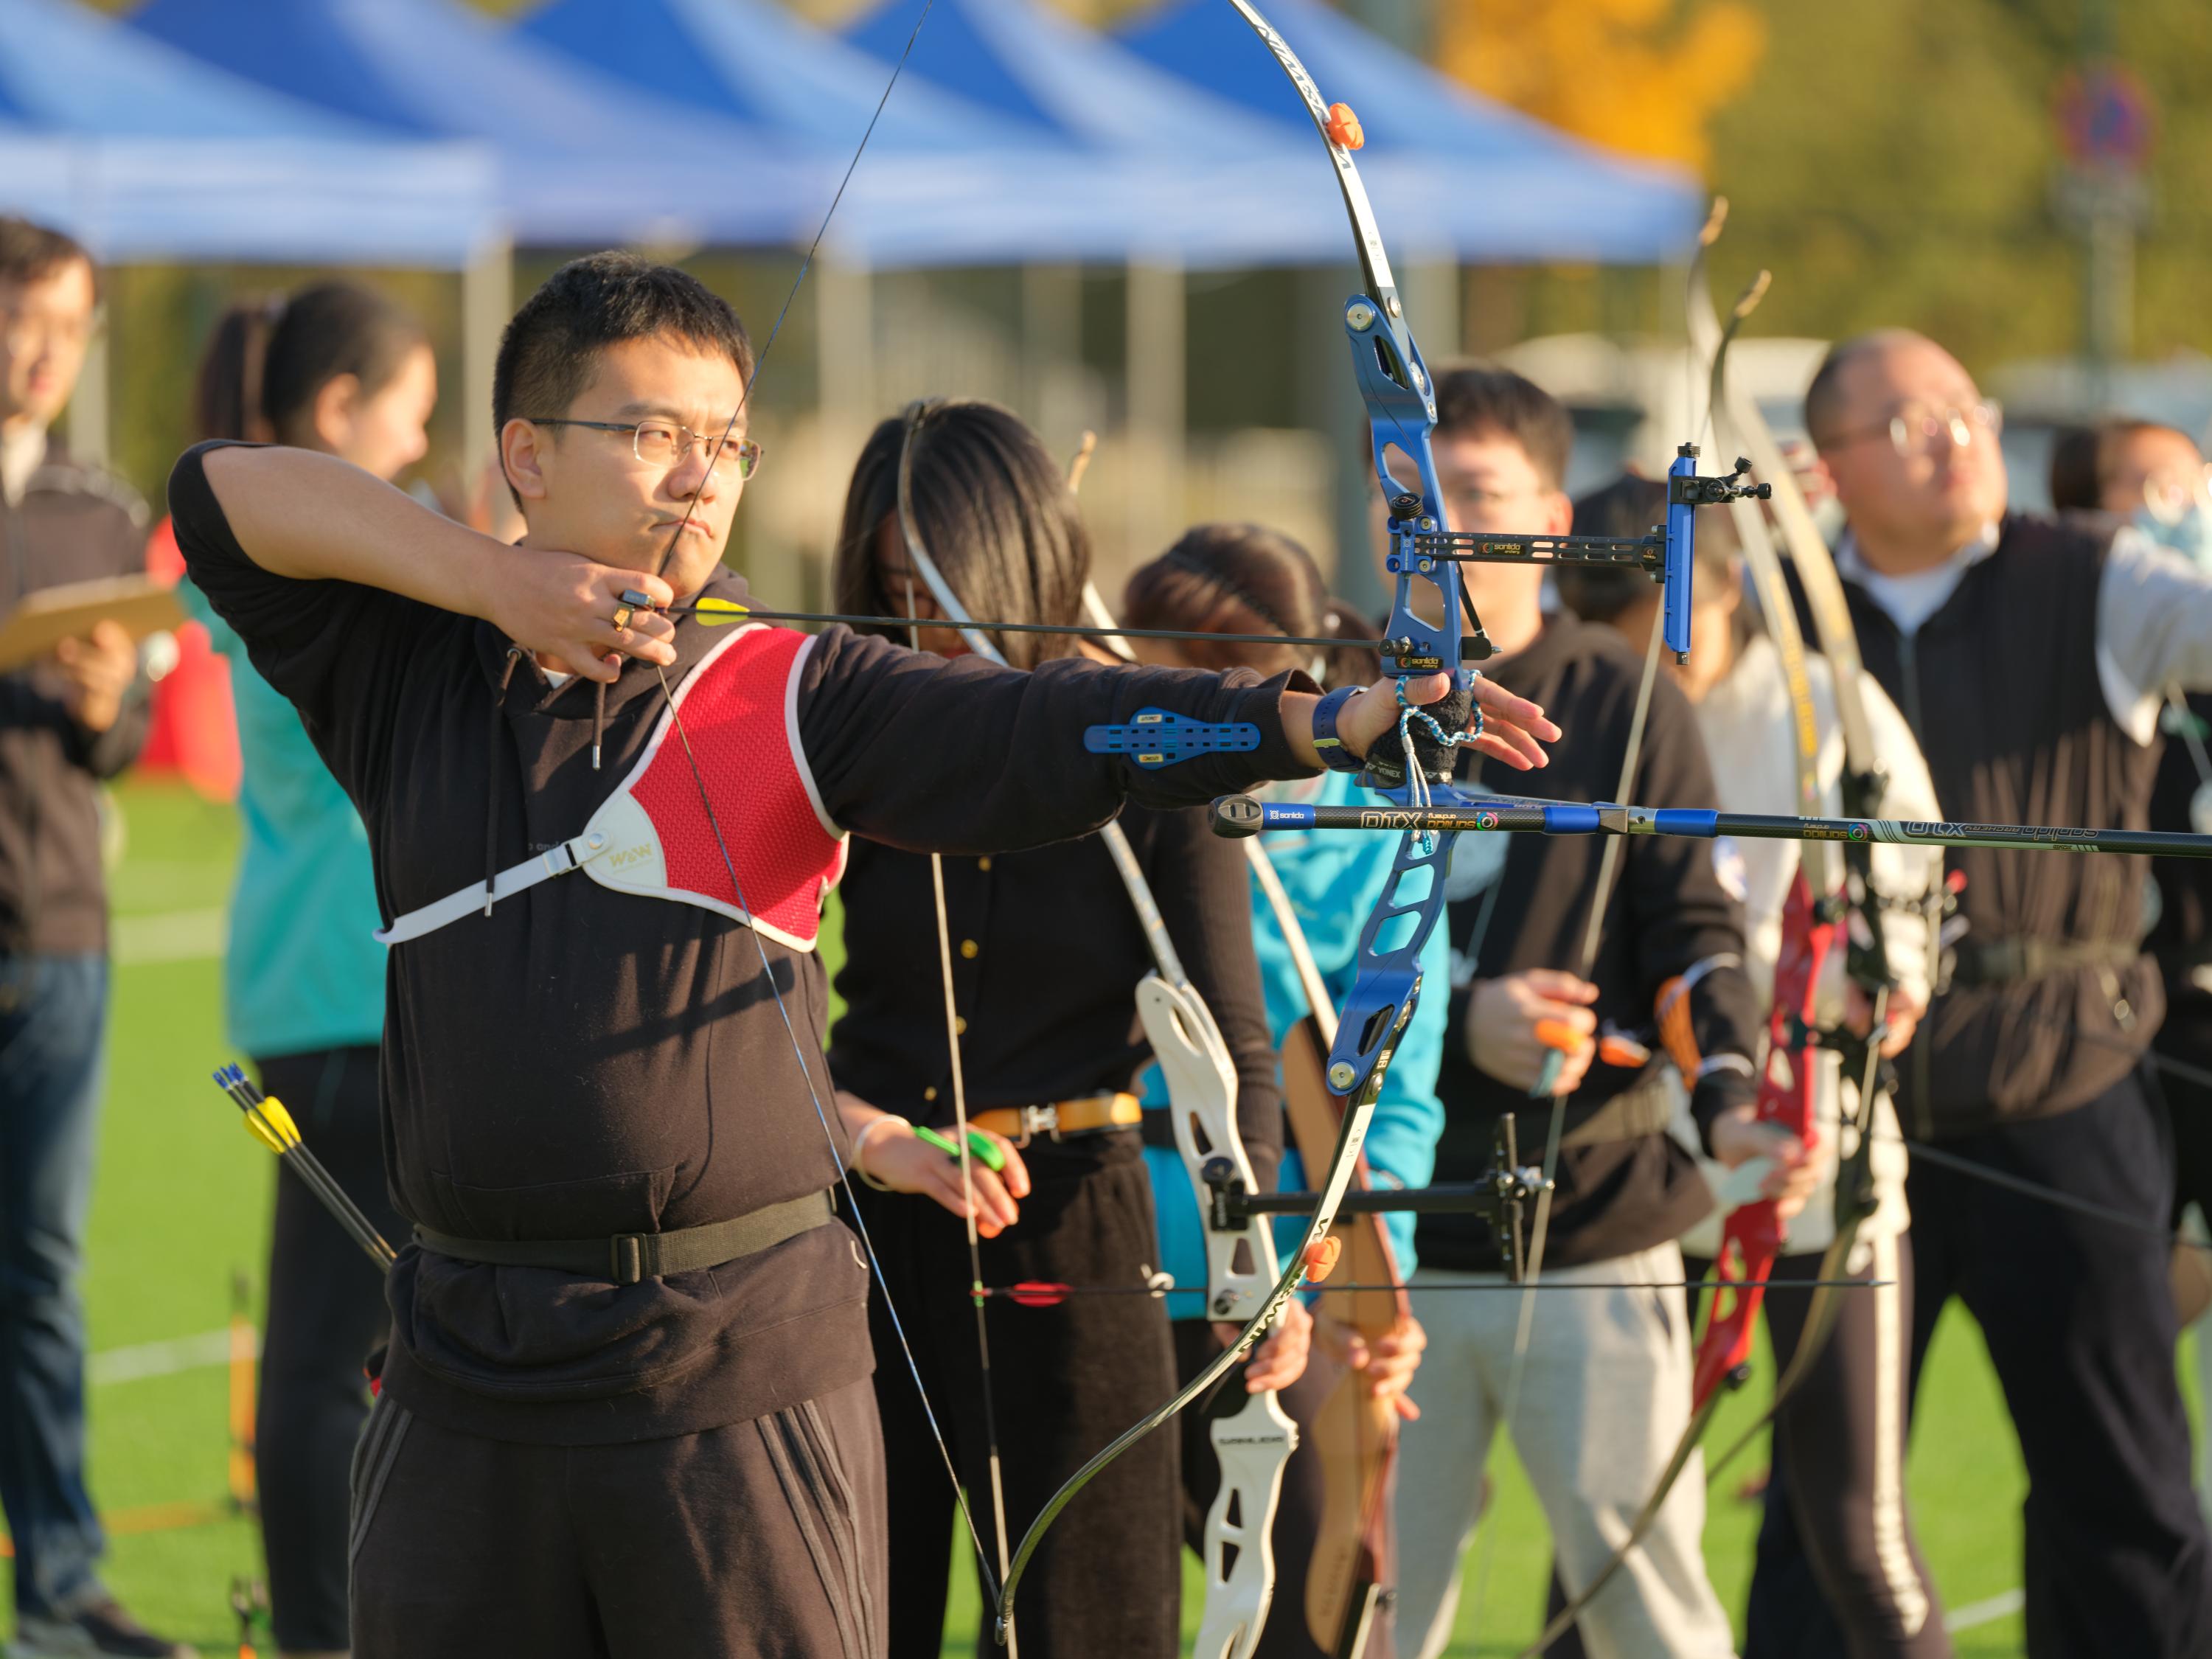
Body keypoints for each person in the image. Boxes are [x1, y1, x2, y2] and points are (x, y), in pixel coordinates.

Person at [166, 251, 1555, 1659]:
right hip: (466, 1371)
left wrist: (1322, 724)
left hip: (729, 1378)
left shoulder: (789, 690)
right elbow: (216, 494)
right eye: (653, 435)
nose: (699, 479)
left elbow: (1053, 731)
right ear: (524, 454)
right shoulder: (407, 674)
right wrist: (491, 587)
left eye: (725, 444)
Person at [823, 401, 1310, 1658]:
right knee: (841, 1600)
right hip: (873, 1212)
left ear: (1020, 564)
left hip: (1073, 1214)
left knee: (1090, 1614)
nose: (918, 626)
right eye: (888, 590)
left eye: (939, 586)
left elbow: (1234, 1045)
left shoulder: (1137, 745)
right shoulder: (846, 730)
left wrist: (1253, 1263)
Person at [1806, 330, 2212, 1656]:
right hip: (1860, 1110)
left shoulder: (2098, 574)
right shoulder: (1797, 611)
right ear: (1834, 464)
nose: (1955, 434)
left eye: (1964, 407)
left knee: (2123, 1492)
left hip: (2068, 1086)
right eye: (1908, 422)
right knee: (1824, 1514)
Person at [1383, 366, 1790, 1659]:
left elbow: (1693, 929)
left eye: (1481, 496)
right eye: (1415, 498)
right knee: (1367, 1602)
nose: (1443, 528)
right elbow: (1291, 952)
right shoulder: (1334, 702)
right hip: (1381, 1252)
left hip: (1595, 1224)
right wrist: (1459, 1015)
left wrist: (1729, 1096)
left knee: (1645, 1606)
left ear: (1554, 517)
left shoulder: (1622, 698)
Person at [1564, 476, 1948, 1657]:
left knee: (1853, 1530)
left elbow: (1910, 917)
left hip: (1811, 1152)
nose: (1655, 682)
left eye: (1671, 643)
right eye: (1625, 655)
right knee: (1612, 1530)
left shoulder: (1825, 703)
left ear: (1721, 589)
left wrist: (1877, 974)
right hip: (1643, 1164)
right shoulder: (1583, 716)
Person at [1119, 521, 1437, 1659]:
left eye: (1220, 690)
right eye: (1163, 687)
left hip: (1296, 1284)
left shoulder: (1370, 836)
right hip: (1114, 1261)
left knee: (1309, 1612)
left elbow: (1397, 1100)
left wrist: (1367, 1273)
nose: (1191, 723)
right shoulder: (1102, 817)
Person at [175, 282, 435, 1659]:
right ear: (339, 414)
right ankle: (331, 1633)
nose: (422, 449)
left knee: (329, 1339)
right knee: (339, 1350)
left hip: (305, 978)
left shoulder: (299, 552)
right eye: (413, 417)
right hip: (354, 981)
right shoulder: (325, 560)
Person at [0, 217, 188, 1659]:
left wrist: (104, 696)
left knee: (45, 1278)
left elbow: (121, 743)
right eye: (19, 317)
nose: (40, 348)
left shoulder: (100, 512)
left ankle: (60, 1583)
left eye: (66, 323)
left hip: (61, 943)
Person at [2046, 417, 2212, 1520]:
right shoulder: (2077, 668)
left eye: (2188, 477)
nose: (2180, 502)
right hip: (2113, 1026)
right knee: (2104, 1346)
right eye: (2146, 485)